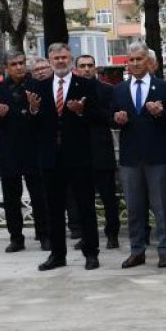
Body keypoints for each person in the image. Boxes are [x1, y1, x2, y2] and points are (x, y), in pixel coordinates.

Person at [27, 43, 106, 271]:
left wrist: (81, 111)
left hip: (79, 155)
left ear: (70, 58)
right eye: (56, 58)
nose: (60, 61)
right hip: (51, 157)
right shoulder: (39, 87)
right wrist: (33, 110)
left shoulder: (86, 85)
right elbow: (33, 125)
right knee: (53, 207)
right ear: (50, 60)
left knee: (85, 206)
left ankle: (91, 253)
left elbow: (99, 117)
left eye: (64, 57)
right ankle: (57, 254)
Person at [111, 43, 166, 268]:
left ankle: (165, 250)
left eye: (139, 59)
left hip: (157, 156)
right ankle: (137, 250)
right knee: (134, 208)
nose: (135, 63)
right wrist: (117, 120)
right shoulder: (119, 90)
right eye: (131, 60)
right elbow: (110, 118)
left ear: (148, 62)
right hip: (130, 158)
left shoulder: (165, 88)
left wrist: (161, 113)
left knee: (162, 207)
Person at [0, 50, 47, 252]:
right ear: (6, 68)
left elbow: (48, 118)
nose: (19, 67)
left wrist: (34, 109)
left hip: (34, 149)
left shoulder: (37, 86)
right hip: (9, 152)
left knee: (39, 196)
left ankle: (44, 235)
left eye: (22, 62)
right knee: (11, 199)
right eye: (14, 64)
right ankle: (16, 238)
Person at [72, 54, 120, 250]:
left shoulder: (107, 90)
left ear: (95, 67)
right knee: (83, 199)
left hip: (101, 149)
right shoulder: (70, 89)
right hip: (78, 150)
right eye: (82, 66)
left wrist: (85, 110)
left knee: (109, 197)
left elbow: (111, 117)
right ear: (76, 68)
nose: (86, 69)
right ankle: (87, 236)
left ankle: (112, 234)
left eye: (90, 65)